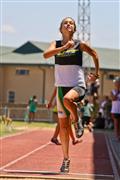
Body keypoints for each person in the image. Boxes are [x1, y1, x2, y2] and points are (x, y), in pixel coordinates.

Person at [43, 17, 99, 173]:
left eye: (71, 23)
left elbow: (95, 54)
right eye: (65, 23)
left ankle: (78, 120)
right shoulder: (56, 44)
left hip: (77, 85)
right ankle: (66, 159)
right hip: (61, 88)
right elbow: (46, 55)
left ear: (74, 29)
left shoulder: (79, 44)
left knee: (69, 99)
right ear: (60, 29)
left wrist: (96, 74)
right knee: (64, 128)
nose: (68, 24)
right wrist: (63, 48)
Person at [110, 76, 120, 141]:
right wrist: (117, 92)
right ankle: (117, 137)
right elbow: (113, 98)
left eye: (117, 82)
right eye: (116, 83)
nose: (116, 84)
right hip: (115, 110)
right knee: (116, 124)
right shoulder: (112, 91)